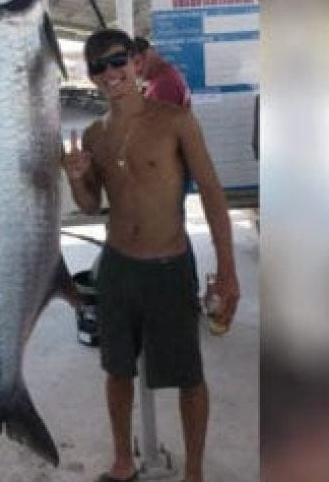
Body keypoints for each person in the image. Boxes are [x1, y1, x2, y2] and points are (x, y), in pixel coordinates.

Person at [62, 29, 239, 482]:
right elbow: (89, 205)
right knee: (117, 371)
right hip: (119, 267)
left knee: (189, 376)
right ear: (91, 75)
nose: (110, 73)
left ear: (136, 62)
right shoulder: (96, 136)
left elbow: (214, 198)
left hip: (169, 265)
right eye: (98, 66)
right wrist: (78, 178)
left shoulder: (174, 120)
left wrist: (228, 272)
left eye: (117, 61)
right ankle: (123, 461)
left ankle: (194, 471)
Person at [131, 36, 191, 109]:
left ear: (150, 54)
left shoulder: (164, 83)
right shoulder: (165, 74)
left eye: (137, 62)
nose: (136, 71)